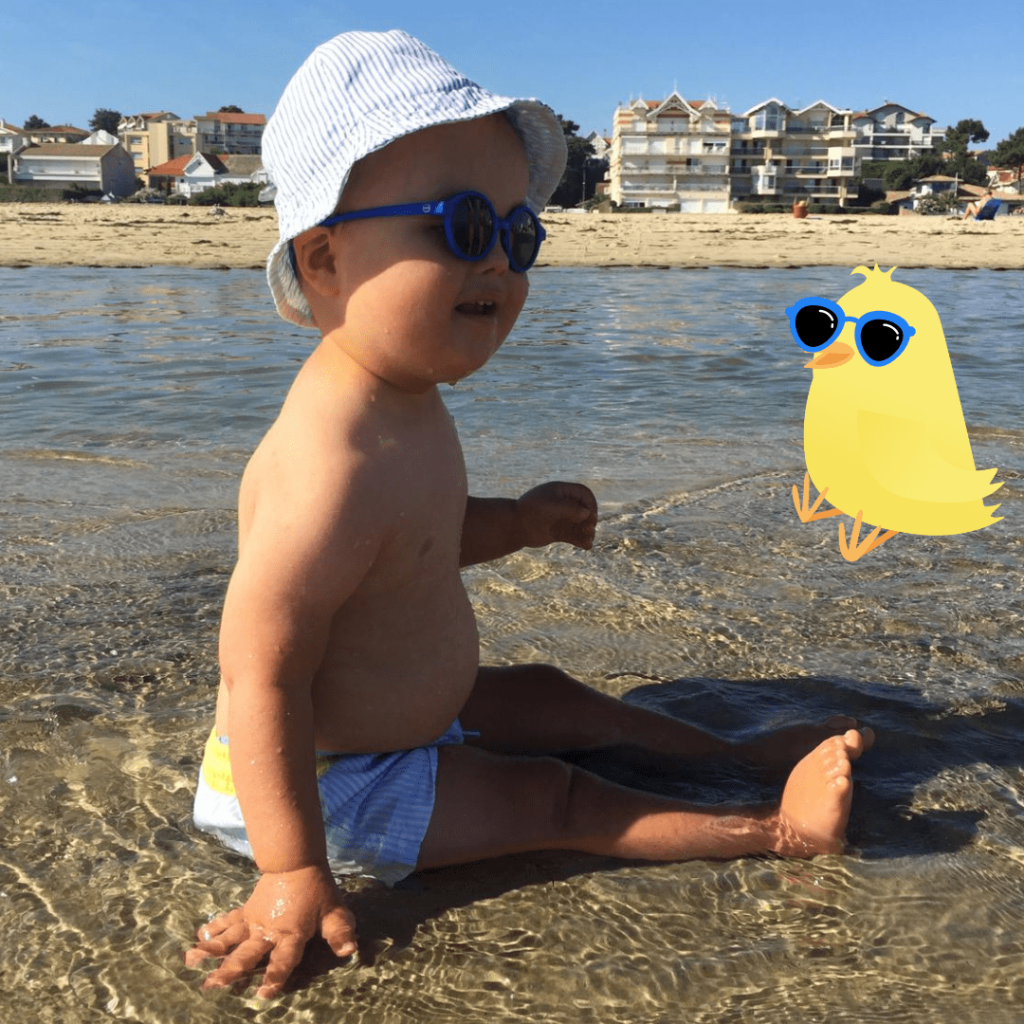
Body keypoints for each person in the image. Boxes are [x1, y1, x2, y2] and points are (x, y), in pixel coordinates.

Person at [185, 30, 872, 999]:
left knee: (549, 693)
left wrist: (516, 521)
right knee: (552, 796)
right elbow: (259, 671)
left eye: (518, 236)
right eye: (465, 228)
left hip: (398, 726)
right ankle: (776, 830)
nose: (501, 266)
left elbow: (417, 545)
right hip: (321, 779)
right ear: (327, 259)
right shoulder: (327, 464)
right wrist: (292, 869)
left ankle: (734, 754)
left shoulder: (403, 403)